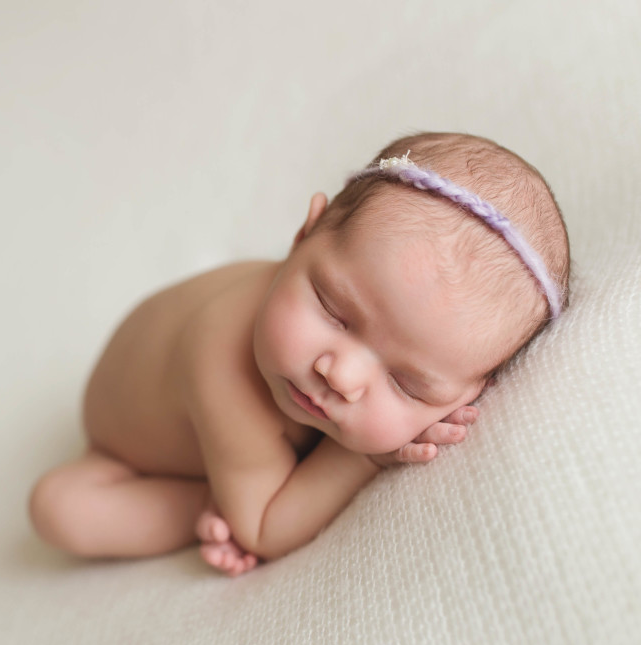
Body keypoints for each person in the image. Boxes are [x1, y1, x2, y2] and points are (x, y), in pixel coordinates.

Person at [29, 131, 570, 577]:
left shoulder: (318, 345)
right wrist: (359, 456)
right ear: (305, 232)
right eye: (334, 312)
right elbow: (263, 528)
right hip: (125, 448)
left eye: (409, 384)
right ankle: (204, 498)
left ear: (473, 390)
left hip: (239, 439)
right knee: (58, 510)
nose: (341, 376)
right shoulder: (225, 364)